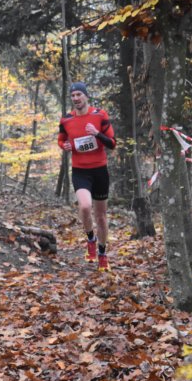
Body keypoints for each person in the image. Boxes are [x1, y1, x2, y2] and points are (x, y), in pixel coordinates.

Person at [57, 81, 116, 271]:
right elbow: (61, 140)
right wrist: (65, 146)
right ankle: (91, 238)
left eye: (79, 95)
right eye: (73, 96)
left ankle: (102, 253)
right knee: (84, 206)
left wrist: (97, 133)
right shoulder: (66, 120)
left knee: (101, 216)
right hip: (80, 171)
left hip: (100, 171)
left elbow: (112, 143)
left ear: (86, 96)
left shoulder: (100, 115)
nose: (76, 98)